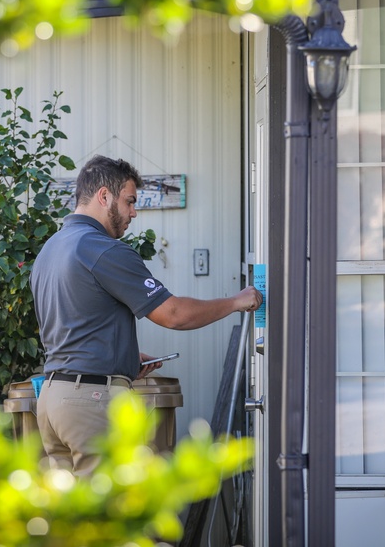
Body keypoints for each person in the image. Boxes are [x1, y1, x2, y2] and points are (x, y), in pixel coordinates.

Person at [30, 155, 263, 475]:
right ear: (104, 196)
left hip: (52, 400)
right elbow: (174, 314)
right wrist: (236, 301)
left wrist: (122, 357)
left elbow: (72, 324)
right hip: (90, 402)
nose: (133, 212)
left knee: (72, 517)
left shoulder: (51, 250)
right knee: (110, 514)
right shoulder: (102, 248)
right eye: (129, 201)